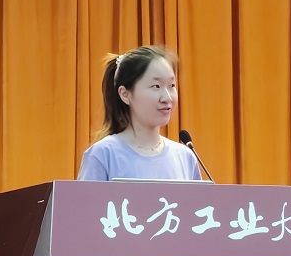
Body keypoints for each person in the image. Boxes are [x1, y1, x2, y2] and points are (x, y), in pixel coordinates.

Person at [77, 45, 203, 182]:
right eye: (156, 86)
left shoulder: (185, 157)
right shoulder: (103, 154)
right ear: (125, 94)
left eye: (172, 86)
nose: (167, 98)